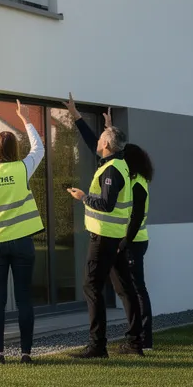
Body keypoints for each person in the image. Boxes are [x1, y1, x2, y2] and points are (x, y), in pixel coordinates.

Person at [62, 93, 137, 359]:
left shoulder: (112, 170)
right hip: (114, 238)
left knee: (92, 287)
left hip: (104, 238)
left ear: (107, 144)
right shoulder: (116, 162)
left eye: (102, 138)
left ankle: (97, 346)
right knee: (123, 287)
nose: (98, 141)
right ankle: (135, 342)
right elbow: (91, 140)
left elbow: (105, 204)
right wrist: (77, 115)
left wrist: (84, 198)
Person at [0, 100, 45, 365]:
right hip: (23, 242)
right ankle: (26, 354)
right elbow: (39, 149)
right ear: (15, 149)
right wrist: (25, 119)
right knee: (25, 296)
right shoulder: (23, 168)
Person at [114, 142, 154, 354]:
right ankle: (139, 338)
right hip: (135, 240)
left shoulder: (137, 183)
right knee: (135, 289)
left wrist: (124, 242)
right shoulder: (136, 181)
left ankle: (143, 340)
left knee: (138, 290)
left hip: (134, 242)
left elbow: (137, 216)